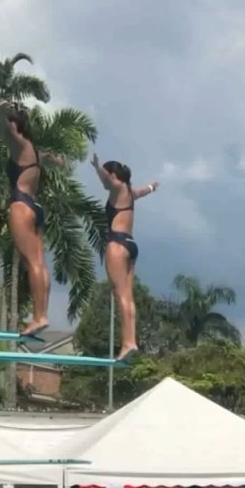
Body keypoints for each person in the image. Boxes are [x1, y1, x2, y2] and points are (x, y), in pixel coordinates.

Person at [0, 99, 66, 337]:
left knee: (33, 263)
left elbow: (3, 127)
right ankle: (41, 315)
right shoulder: (33, 151)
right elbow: (53, 160)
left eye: (13, 126)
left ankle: (39, 317)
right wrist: (56, 161)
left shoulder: (20, 144)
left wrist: (1, 111)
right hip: (35, 208)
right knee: (38, 262)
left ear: (17, 127)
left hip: (21, 206)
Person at [90, 153, 159, 362]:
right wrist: (151, 187)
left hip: (117, 244)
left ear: (113, 175)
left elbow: (108, 180)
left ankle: (128, 342)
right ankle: (131, 341)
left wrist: (97, 167)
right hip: (131, 245)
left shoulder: (118, 187)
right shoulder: (130, 192)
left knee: (120, 295)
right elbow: (143, 192)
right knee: (127, 296)